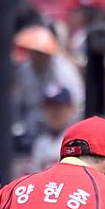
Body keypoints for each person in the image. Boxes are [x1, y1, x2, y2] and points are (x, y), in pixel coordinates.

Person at [11, 25, 84, 156]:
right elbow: (18, 103)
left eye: (40, 53)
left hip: (63, 129)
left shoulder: (64, 71)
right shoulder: (25, 70)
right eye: (33, 52)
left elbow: (76, 105)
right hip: (33, 128)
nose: (36, 56)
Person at [27, 84, 76, 174]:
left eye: (59, 108)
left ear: (70, 108)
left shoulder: (78, 140)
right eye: (51, 108)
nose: (55, 113)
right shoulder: (40, 143)